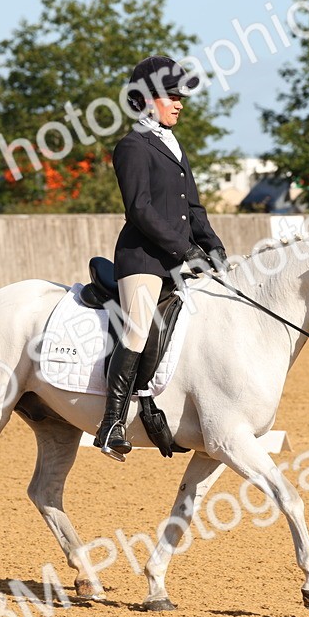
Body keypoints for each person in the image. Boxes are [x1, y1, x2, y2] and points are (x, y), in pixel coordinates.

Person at [94, 55, 228, 460]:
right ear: (147, 99)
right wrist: (183, 249)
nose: (179, 103)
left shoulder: (172, 144)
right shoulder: (132, 146)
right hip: (143, 260)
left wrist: (213, 246)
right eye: (171, 96)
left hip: (174, 257)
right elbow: (140, 210)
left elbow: (194, 208)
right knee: (137, 328)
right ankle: (111, 423)